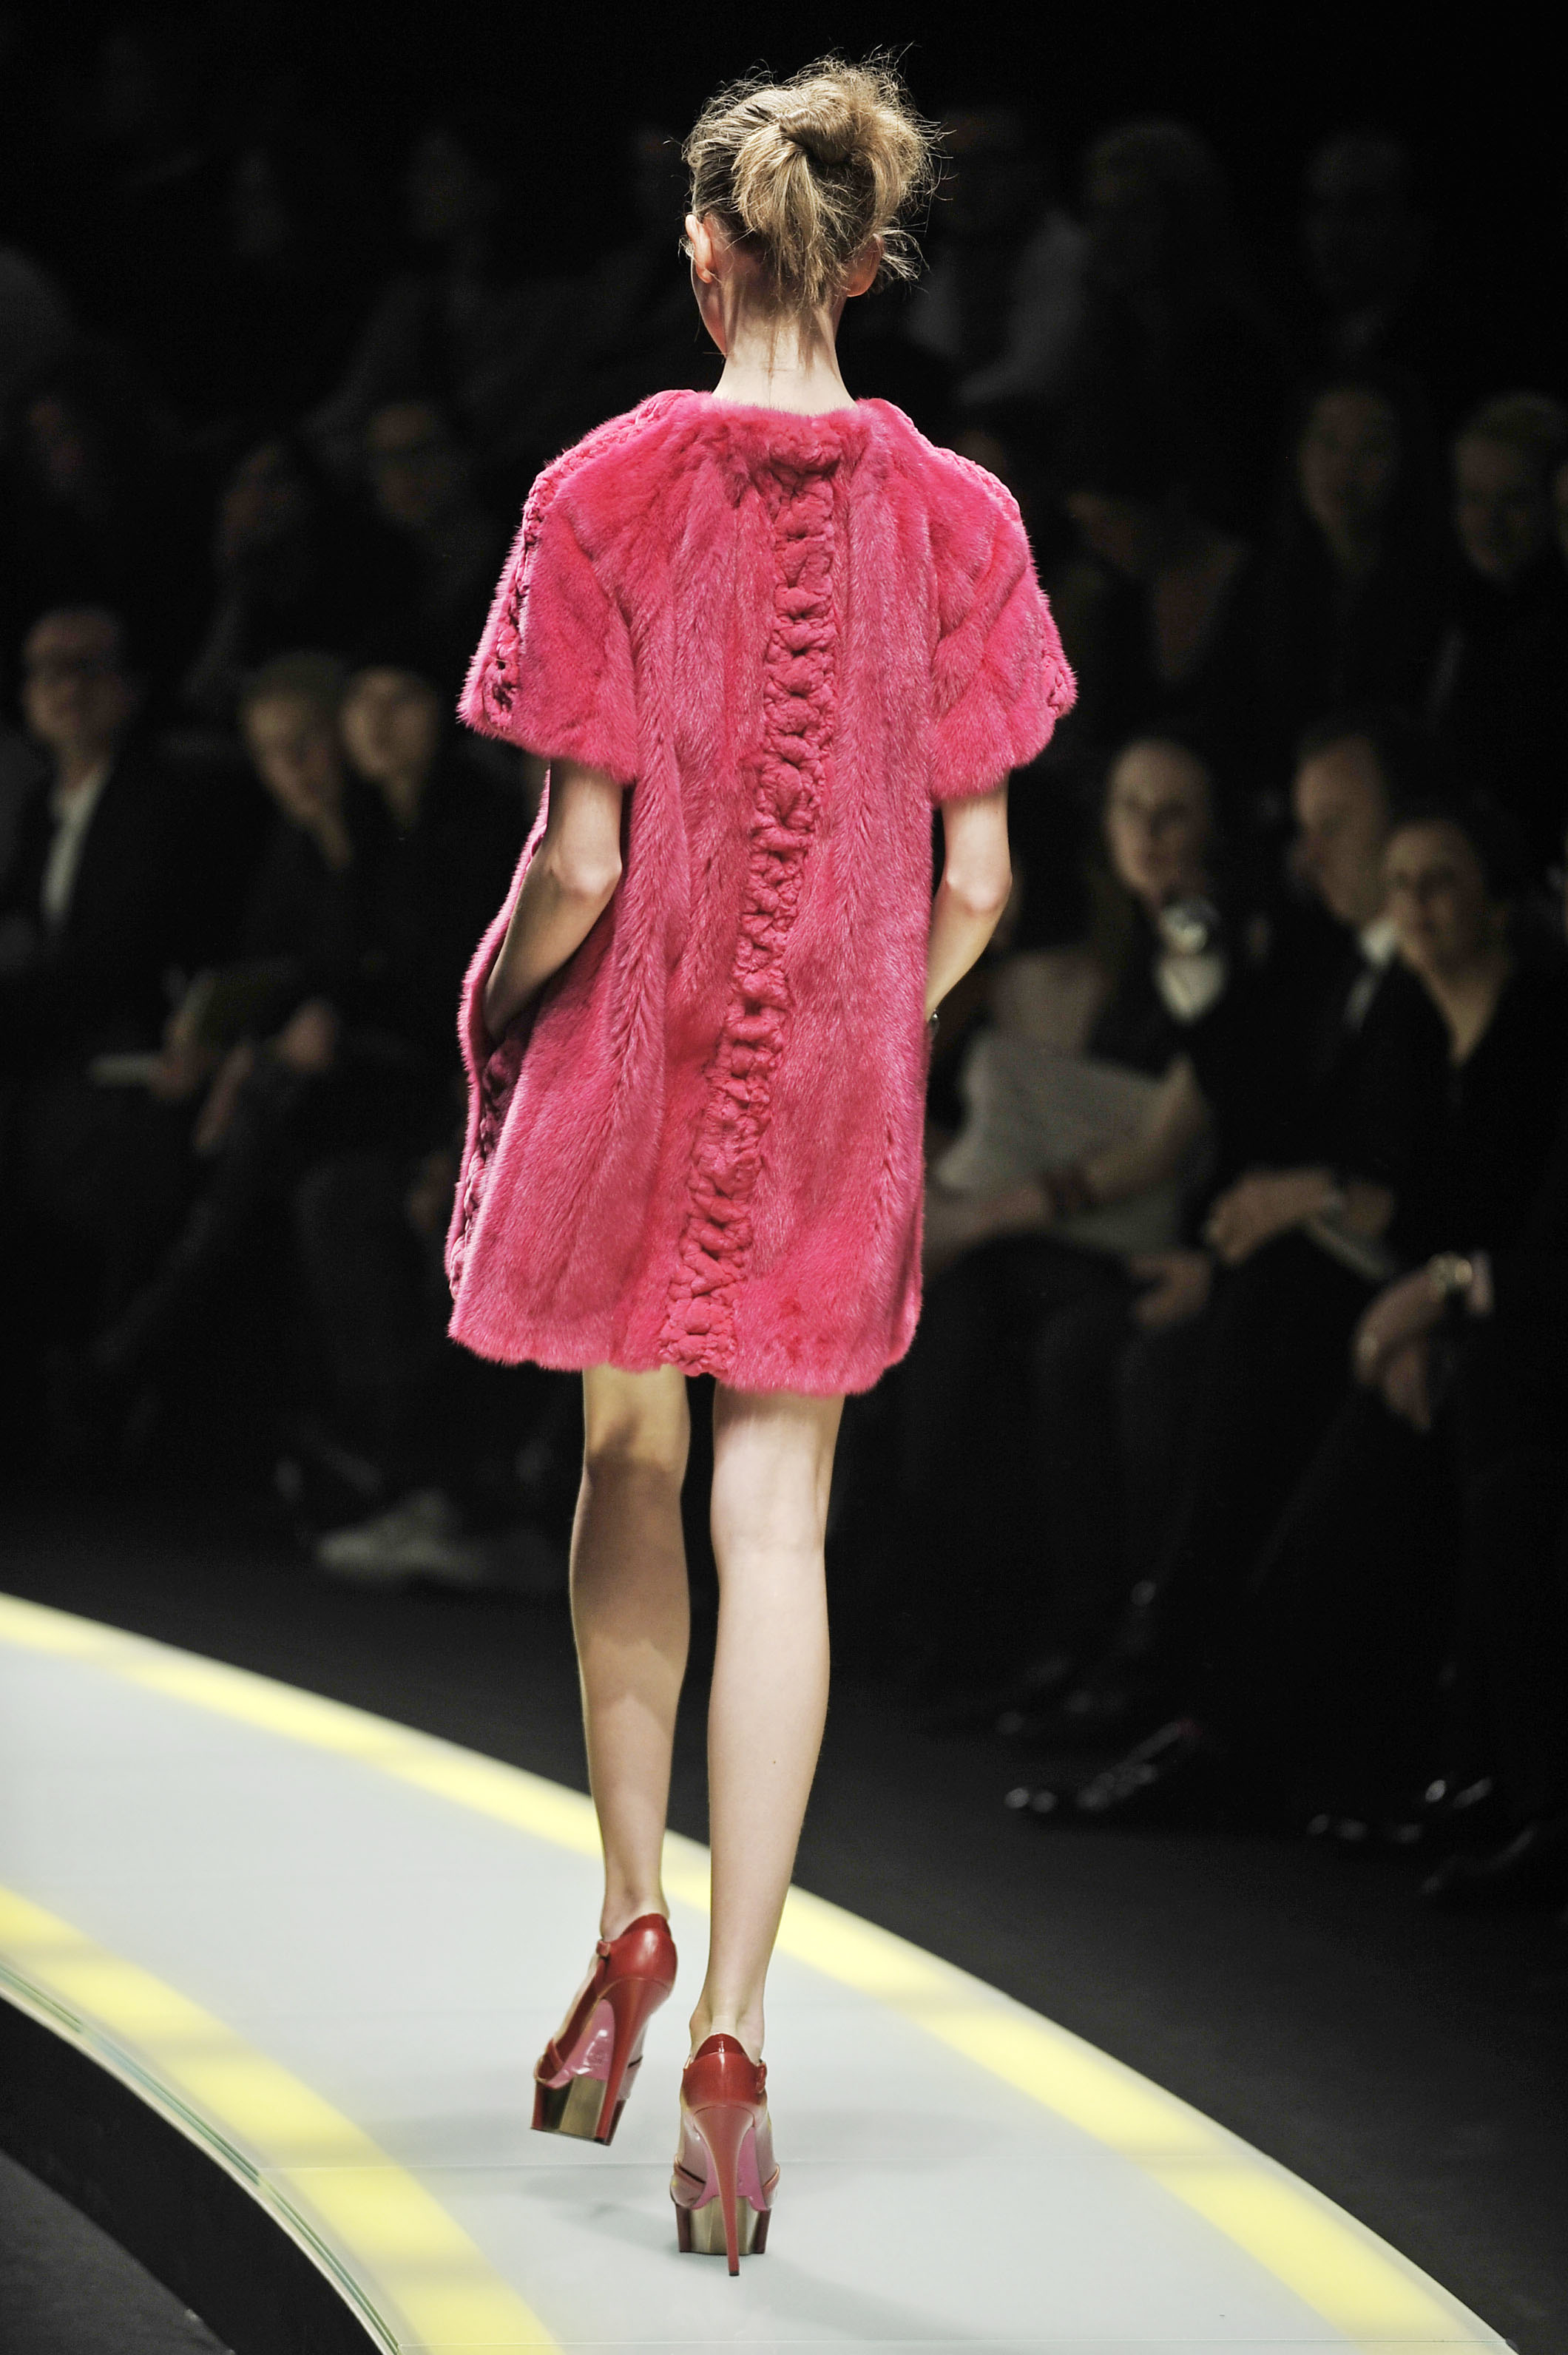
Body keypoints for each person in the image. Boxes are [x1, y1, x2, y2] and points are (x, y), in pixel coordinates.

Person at [443, 58, 1070, 2269]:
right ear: (871, 261)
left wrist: (504, 1003)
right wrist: (864, 1021)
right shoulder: (965, 520)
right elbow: (978, 878)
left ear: (703, 254)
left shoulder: (600, 487)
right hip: (824, 1091)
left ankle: (622, 1918)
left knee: (625, 1459)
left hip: (632, 1060)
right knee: (776, 1518)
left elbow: (579, 859)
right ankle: (728, 2034)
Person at [1430, 392, 1568, 869]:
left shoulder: (1549, 630)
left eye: (1515, 502)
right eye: (1472, 498)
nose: (1488, 524)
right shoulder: (1455, 607)